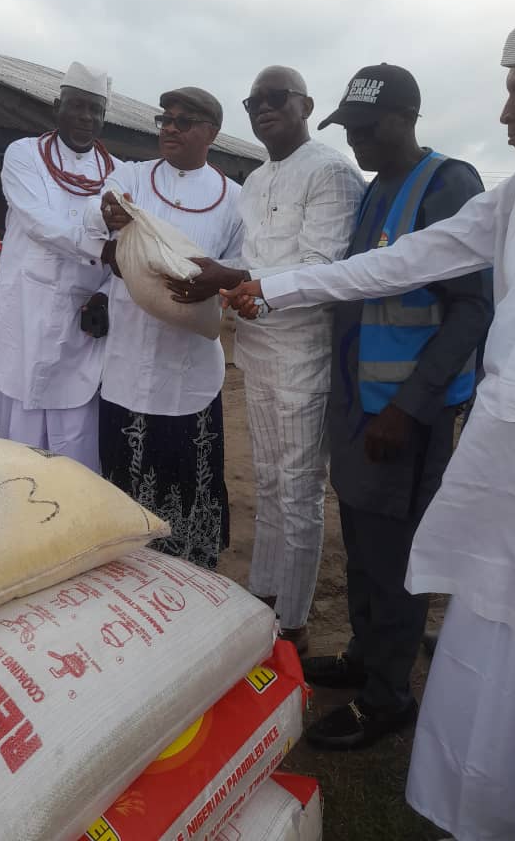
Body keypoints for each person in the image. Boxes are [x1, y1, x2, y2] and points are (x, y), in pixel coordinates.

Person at [222, 21, 515, 836]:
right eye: (349, 129)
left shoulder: (450, 183)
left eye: (367, 128)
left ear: (404, 119)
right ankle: (367, 654)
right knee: (361, 540)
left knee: (398, 553)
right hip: (362, 403)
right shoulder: (374, 193)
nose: (356, 142)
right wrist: (273, 288)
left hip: (408, 412)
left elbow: (470, 309)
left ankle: (389, 694)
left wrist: (410, 406)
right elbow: (371, 274)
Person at [165, 66, 365, 654]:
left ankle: (294, 620)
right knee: (272, 483)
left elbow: (324, 268)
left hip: (304, 355)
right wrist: (222, 281)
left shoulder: (331, 172)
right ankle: (265, 595)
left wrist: (235, 278)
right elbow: (247, 258)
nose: (263, 109)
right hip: (256, 349)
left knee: (300, 490)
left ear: (306, 105)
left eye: (276, 98)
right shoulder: (253, 181)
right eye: (254, 102)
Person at [92, 87, 243, 569]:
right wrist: (107, 213)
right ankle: (125, 571)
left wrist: (216, 282)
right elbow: (97, 212)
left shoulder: (234, 199)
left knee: (186, 475)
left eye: (184, 121)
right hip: (128, 355)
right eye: (166, 119)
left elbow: (242, 266)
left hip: (189, 368)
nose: (170, 128)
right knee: (123, 475)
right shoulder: (131, 177)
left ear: (211, 133)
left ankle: (186, 577)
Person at [0, 62, 115, 471]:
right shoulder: (24, 155)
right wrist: (101, 249)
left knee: (76, 435)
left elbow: (124, 244)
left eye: (95, 110)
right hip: (25, 312)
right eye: (77, 106)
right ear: (57, 106)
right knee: (20, 435)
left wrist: (106, 294)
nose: (86, 117)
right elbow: (37, 221)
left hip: (81, 322)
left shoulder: (117, 173)